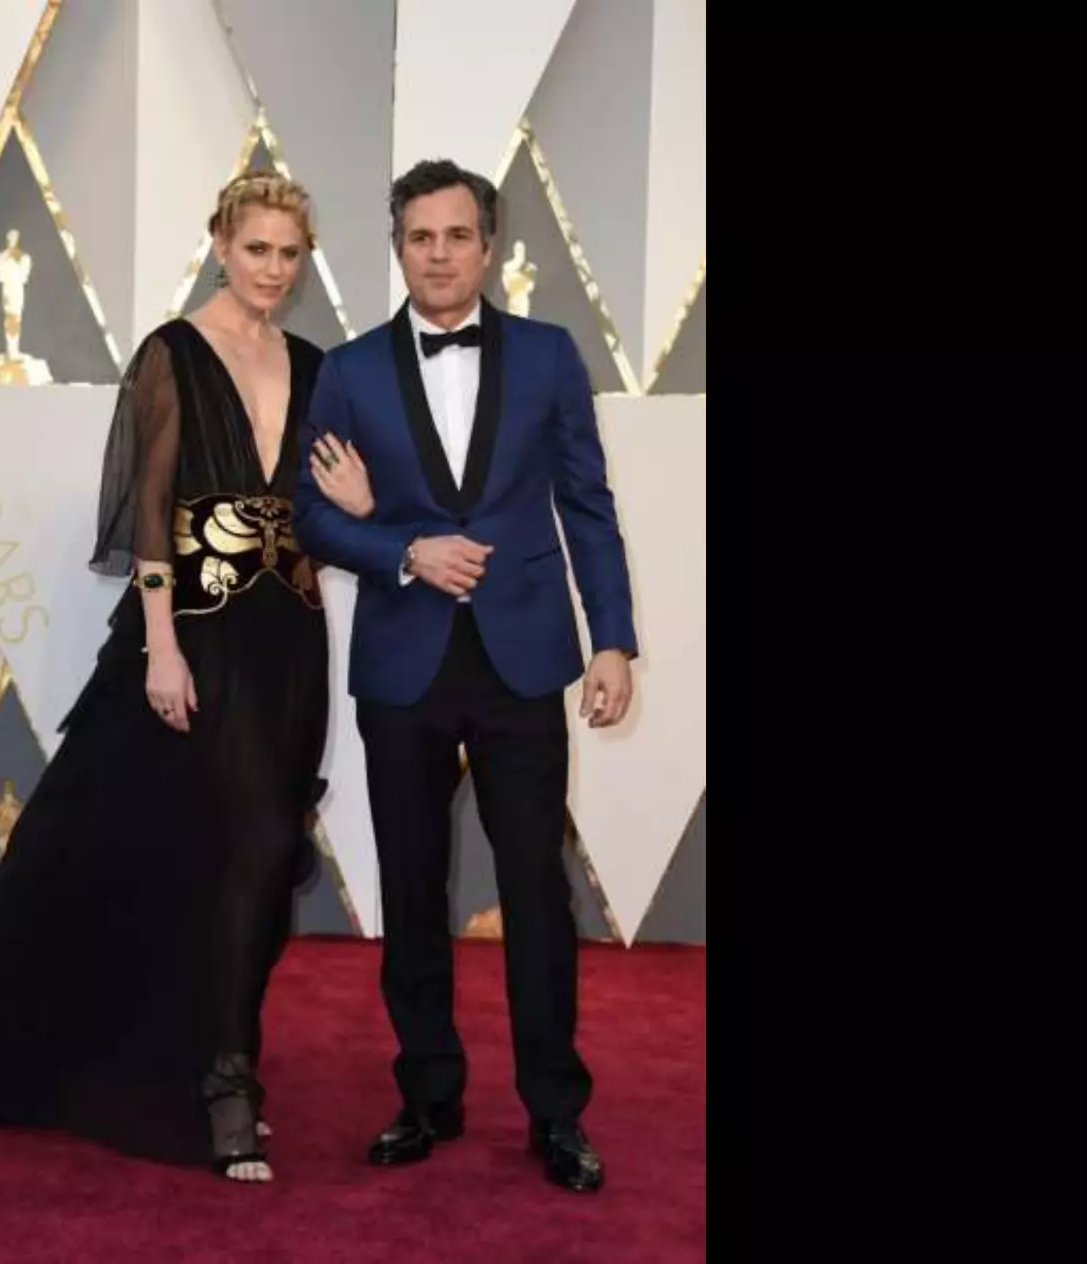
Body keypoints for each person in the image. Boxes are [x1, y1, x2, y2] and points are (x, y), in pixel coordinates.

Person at [0, 171, 375, 1185]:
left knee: (258, 857)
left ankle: (208, 1050)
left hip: (290, 644)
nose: (271, 269)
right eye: (255, 248)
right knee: (233, 843)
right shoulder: (171, 353)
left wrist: (355, 502)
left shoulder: (313, 365)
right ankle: (226, 1084)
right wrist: (160, 642)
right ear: (220, 242)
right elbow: (150, 511)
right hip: (198, 637)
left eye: (288, 254)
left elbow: (324, 520)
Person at [292, 159, 639, 1194]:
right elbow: (308, 516)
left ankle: (554, 1111)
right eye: (417, 237)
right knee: (409, 886)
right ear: (395, 246)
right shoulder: (347, 371)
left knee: (535, 889)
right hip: (402, 661)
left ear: (487, 245)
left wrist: (612, 638)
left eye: (454, 235)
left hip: (522, 655)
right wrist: (403, 548)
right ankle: (425, 1093)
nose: (436, 253)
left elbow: (586, 502)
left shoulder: (546, 355)